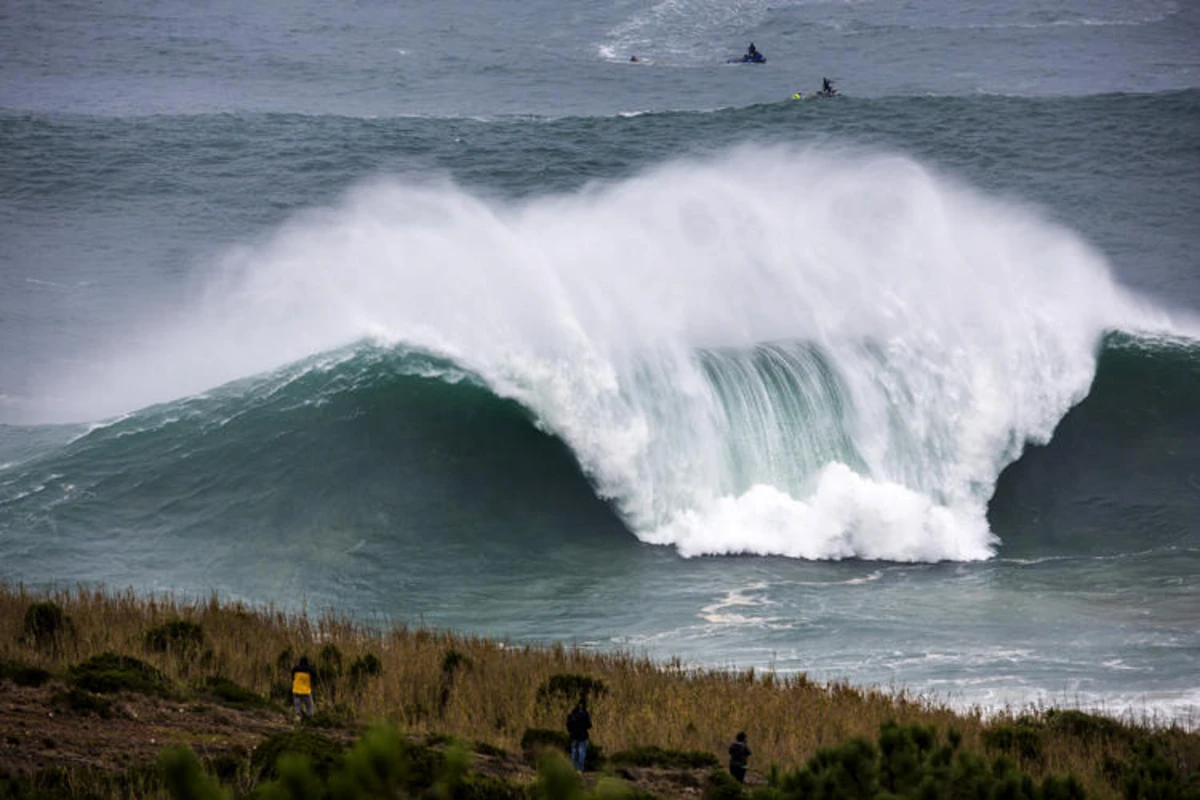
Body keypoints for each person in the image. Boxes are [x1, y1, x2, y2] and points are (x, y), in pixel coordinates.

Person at [566, 697, 592, 771]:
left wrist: (570, 731)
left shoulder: (573, 713)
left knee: (574, 753)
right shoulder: (585, 714)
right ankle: (580, 769)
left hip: (574, 735)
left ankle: (573, 768)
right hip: (583, 736)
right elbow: (589, 725)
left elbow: (568, 724)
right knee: (581, 753)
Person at [291, 655, 315, 720]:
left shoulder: (295, 669)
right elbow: (314, 676)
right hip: (306, 690)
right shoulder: (309, 669)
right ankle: (310, 716)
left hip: (296, 689)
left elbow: (292, 678)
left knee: (297, 704)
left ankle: (298, 716)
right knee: (309, 704)